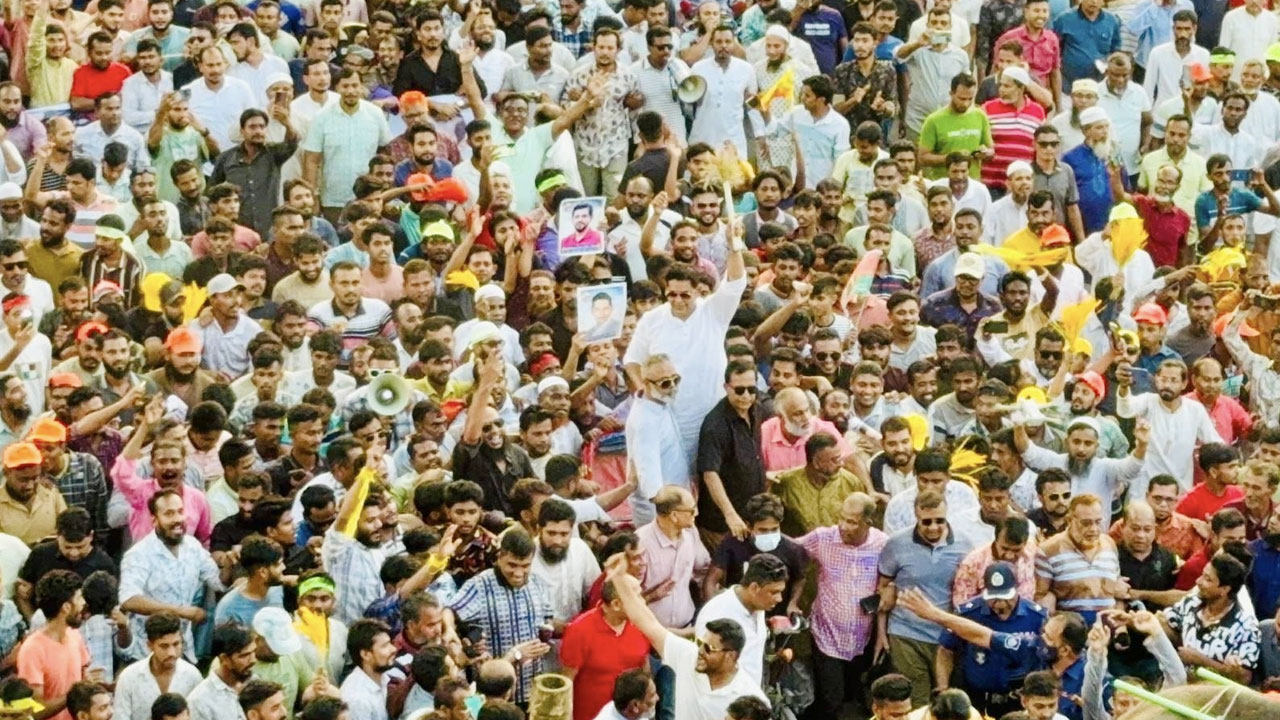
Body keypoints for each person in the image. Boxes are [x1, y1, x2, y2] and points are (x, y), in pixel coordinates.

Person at [604, 551, 769, 720]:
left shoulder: (749, 698)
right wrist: (618, 577)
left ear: (730, 656)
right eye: (700, 643)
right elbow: (647, 622)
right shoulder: (688, 655)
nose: (700, 651)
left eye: (709, 648)